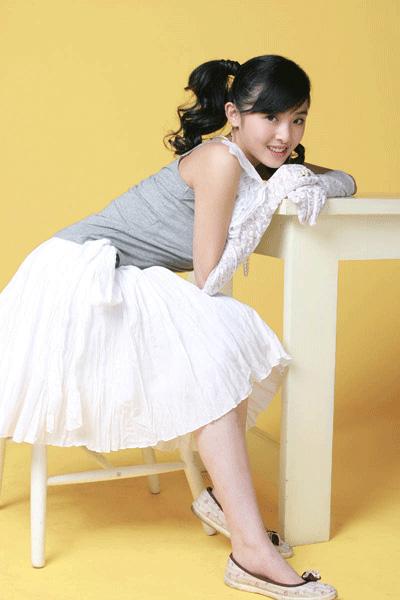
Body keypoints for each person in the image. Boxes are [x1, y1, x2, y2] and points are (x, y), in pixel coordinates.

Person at [0, 55, 356, 599]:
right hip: (75, 277)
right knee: (217, 339)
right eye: (271, 117)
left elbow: (345, 180)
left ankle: (227, 509)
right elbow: (210, 277)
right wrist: (275, 191)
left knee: (217, 344)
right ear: (234, 115)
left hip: (114, 274)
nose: (286, 134)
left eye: (298, 119)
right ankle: (248, 547)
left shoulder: (254, 162)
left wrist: (298, 178)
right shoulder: (220, 159)